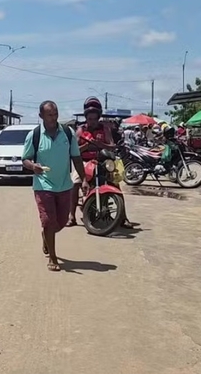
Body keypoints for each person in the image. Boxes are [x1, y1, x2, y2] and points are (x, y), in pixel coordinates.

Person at [22, 101, 87, 272]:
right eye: (50, 114)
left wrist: (84, 179)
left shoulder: (67, 133)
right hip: (43, 184)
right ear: (41, 116)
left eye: (55, 113)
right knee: (49, 221)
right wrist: (32, 166)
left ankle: (46, 236)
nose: (53, 117)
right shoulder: (34, 135)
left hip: (65, 185)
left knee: (61, 222)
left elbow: (76, 157)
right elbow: (25, 159)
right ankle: (52, 257)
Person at [70, 97, 134, 229]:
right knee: (75, 183)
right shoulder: (80, 130)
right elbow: (74, 150)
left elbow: (112, 146)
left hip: (103, 162)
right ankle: (71, 216)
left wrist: (101, 144)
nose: (92, 122)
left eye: (95, 119)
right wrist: (86, 147)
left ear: (98, 117)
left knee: (116, 184)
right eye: (89, 119)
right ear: (86, 118)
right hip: (84, 161)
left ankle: (123, 217)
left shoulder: (104, 128)